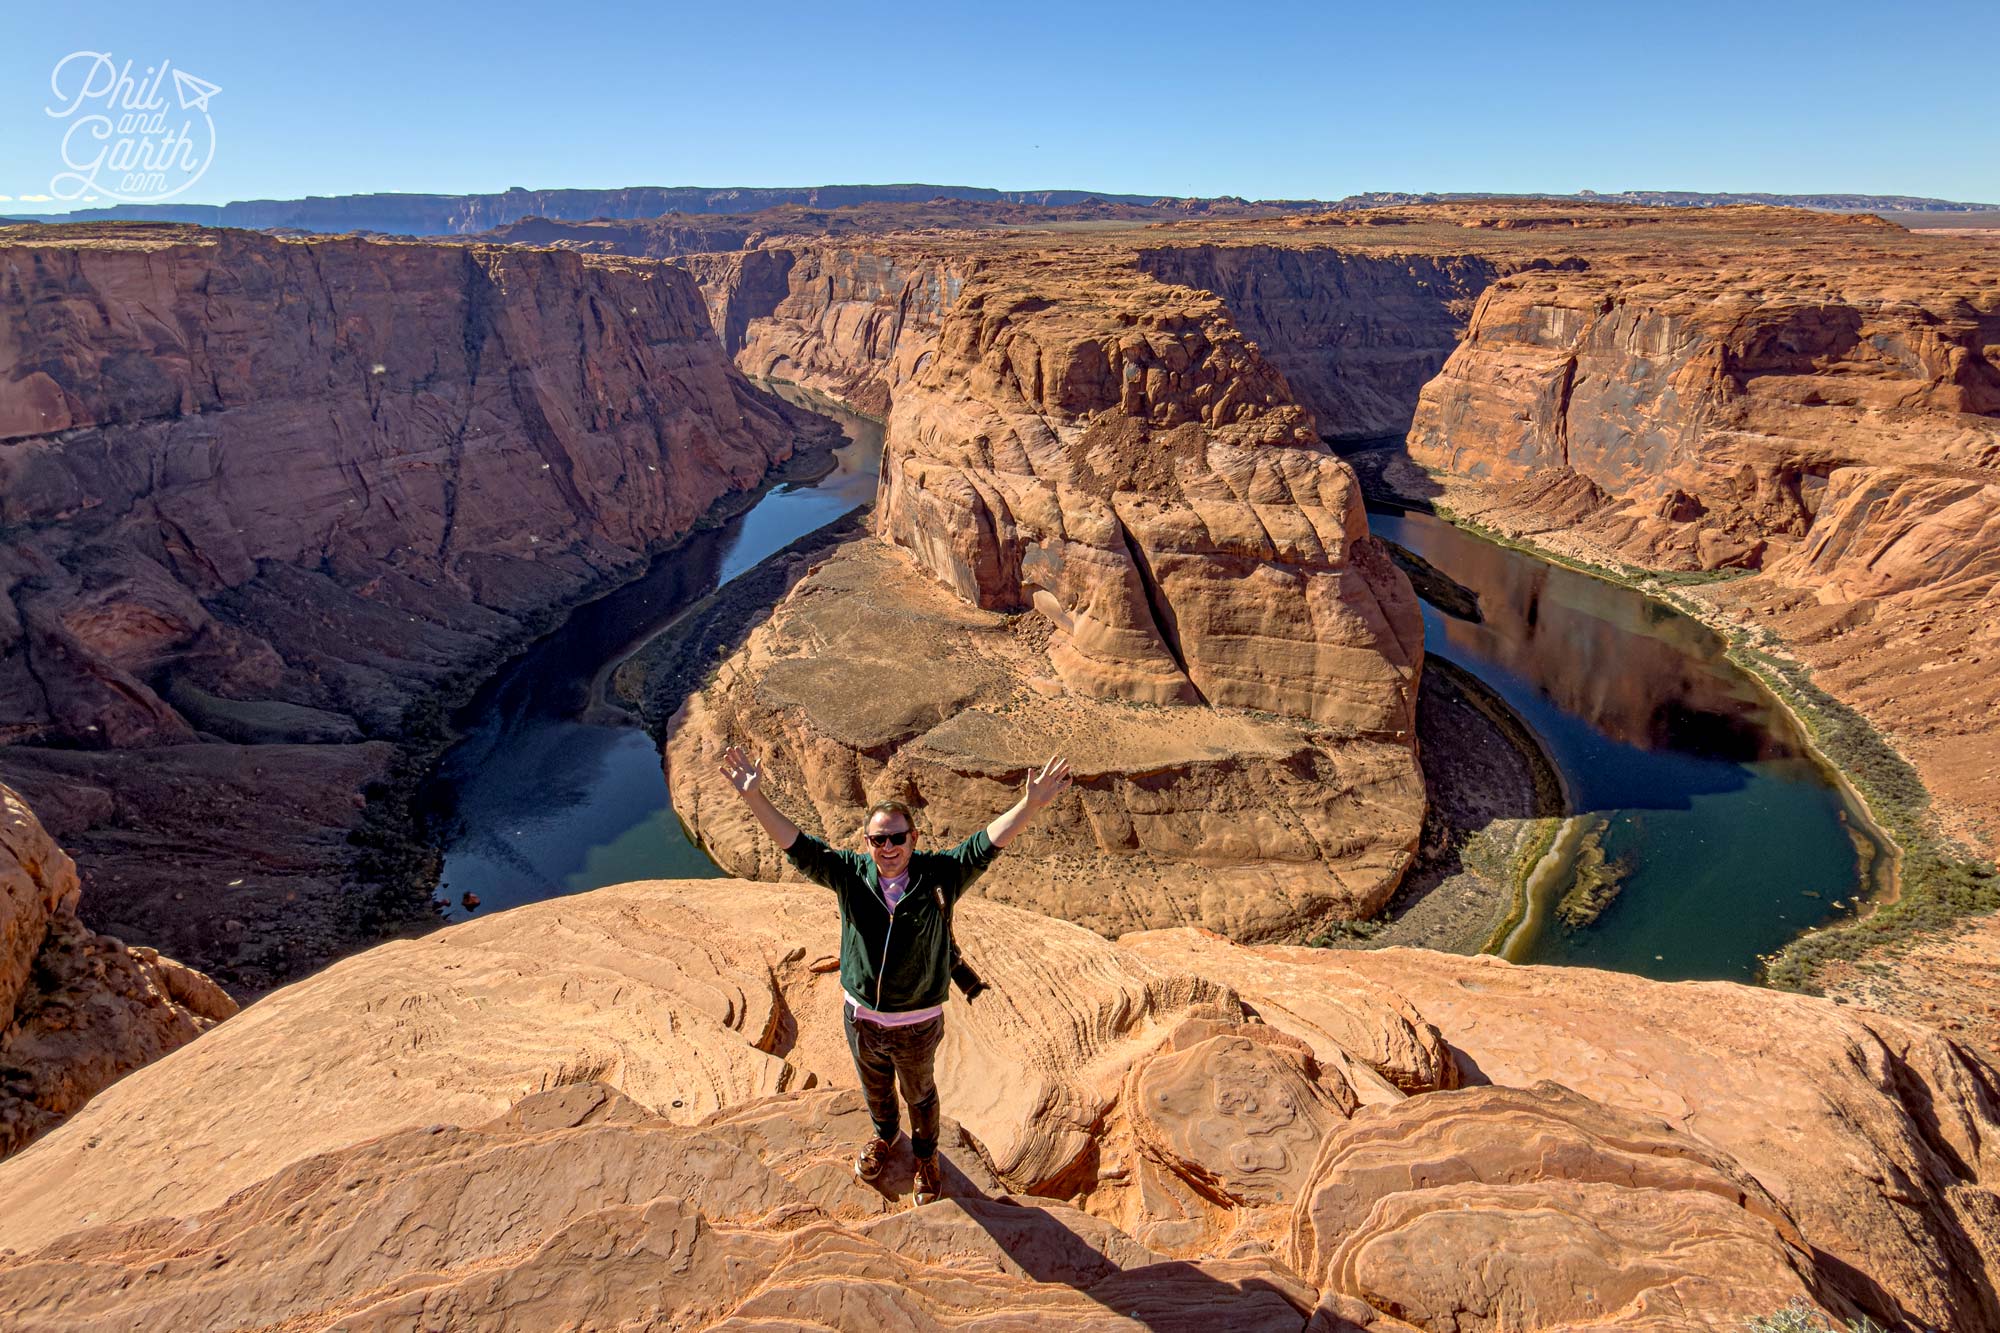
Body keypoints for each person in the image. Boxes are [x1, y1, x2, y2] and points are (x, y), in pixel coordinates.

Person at [717, 744, 1072, 1206]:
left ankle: (926, 1156)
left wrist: (1030, 805)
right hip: (862, 1018)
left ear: (914, 838)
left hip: (917, 1023)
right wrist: (754, 799)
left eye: (896, 838)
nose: (888, 848)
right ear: (866, 843)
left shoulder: (939, 875)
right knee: (876, 1088)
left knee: (920, 1093)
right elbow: (798, 847)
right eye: (878, 840)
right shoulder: (850, 874)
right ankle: (885, 1137)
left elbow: (985, 846)